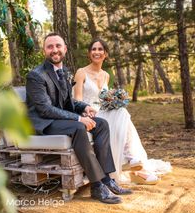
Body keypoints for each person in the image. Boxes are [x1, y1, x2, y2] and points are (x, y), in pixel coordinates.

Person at [26, 33, 132, 204]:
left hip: (59, 120)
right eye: (50, 46)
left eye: (58, 46)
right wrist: (78, 118)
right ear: (44, 50)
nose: (55, 50)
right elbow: (45, 109)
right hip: (43, 123)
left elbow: (68, 101)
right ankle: (97, 186)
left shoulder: (64, 71)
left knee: (102, 124)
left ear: (65, 49)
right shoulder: (36, 75)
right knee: (79, 127)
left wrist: (84, 107)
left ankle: (106, 178)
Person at [73, 38, 171, 184]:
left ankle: (135, 165)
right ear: (89, 53)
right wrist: (86, 111)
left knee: (121, 112)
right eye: (94, 49)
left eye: (100, 49)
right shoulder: (81, 72)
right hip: (88, 115)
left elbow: (103, 99)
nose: (97, 52)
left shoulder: (106, 75)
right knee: (122, 113)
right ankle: (134, 162)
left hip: (104, 112)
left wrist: (114, 101)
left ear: (105, 54)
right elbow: (77, 101)